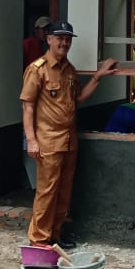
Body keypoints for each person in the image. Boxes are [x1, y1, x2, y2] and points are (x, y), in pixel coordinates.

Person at [21, 20, 118, 248]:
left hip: (69, 141)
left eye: (68, 39)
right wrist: (31, 141)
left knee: (64, 193)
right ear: (49, 39)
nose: (64, 43)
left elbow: (79, 98)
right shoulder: (37, 69)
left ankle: (55, 235)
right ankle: (39, 240)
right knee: (46, 192)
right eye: (60, 38)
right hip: (47, 142)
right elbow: (28, 107)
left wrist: (98, 76)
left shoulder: (69, 69)